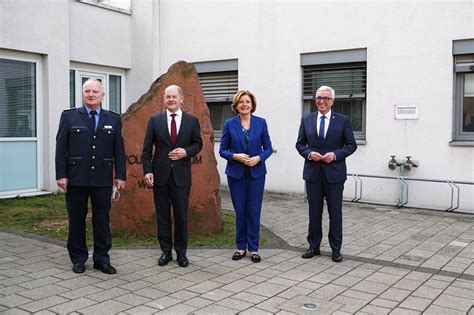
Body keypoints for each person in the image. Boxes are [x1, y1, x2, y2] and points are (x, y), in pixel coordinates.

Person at [55, 78, 126, 274]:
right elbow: (61, 148)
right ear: (83, 94)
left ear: (102, 95)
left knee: (102, 220)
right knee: (77, 219)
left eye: (95, 91)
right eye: (87, 91)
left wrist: (120, 175)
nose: (91, 94)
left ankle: (101, 259)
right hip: (76, 178)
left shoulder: (113, 118)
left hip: (102, 179)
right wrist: (61, 175)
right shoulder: (69, 116)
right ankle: (78, 258)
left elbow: (119, 150)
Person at [142, 84, 202, 268]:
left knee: (181, 216)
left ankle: (181, 253)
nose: (170, 99)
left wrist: (186, 152)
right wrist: (147, 171)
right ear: (164, 99)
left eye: (174, 96)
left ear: (181, 99)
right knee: (162, 215)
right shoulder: (155, 120)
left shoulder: (192, 121)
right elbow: (146, 150)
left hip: (181, 177)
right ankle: (165, 252)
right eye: (167, 96)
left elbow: (198, 144)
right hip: (160, 175)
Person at [295, 86, 357, 263]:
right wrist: (308, 153)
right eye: (318, 97)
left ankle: (335, 249)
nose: (321, 101)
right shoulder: (307, 119)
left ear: (332, 101)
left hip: (334, 174)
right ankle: (313, 246)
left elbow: (350, 145)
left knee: (335, 212)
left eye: (326, 98)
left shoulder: (342, 120)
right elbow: (300, 144)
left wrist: (335, 155)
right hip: (313, 173)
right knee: (314, 212)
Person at [219, 90, 273, 263]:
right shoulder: (229, 124)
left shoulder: (261, 123)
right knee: (240, 211)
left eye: (247, 102)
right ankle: (240, 247)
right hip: (236, 174)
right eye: (241, 102)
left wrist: (259, 158)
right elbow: (222, 150)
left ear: (252, 105)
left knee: (253, 211)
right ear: (236, 105)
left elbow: (269, 148)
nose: (244, 104)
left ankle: (254, 249)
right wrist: (235, 156)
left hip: (256, 174)